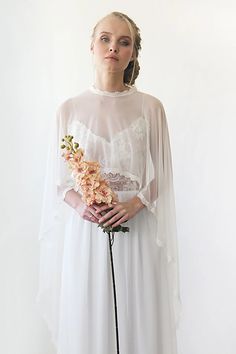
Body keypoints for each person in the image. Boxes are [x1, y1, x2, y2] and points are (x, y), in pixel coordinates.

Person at [37, 11, 182, 354]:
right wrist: (81, 205)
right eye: (105, 38)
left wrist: (136, 203)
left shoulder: (151, 108)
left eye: (124, 42)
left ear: (133, 53)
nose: (113, 47)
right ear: (91, 45)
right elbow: (58, 183)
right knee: (90, 312)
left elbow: (164, 172)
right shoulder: (68, 110)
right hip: (87, 231)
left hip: (137, 228)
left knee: (138, 315)